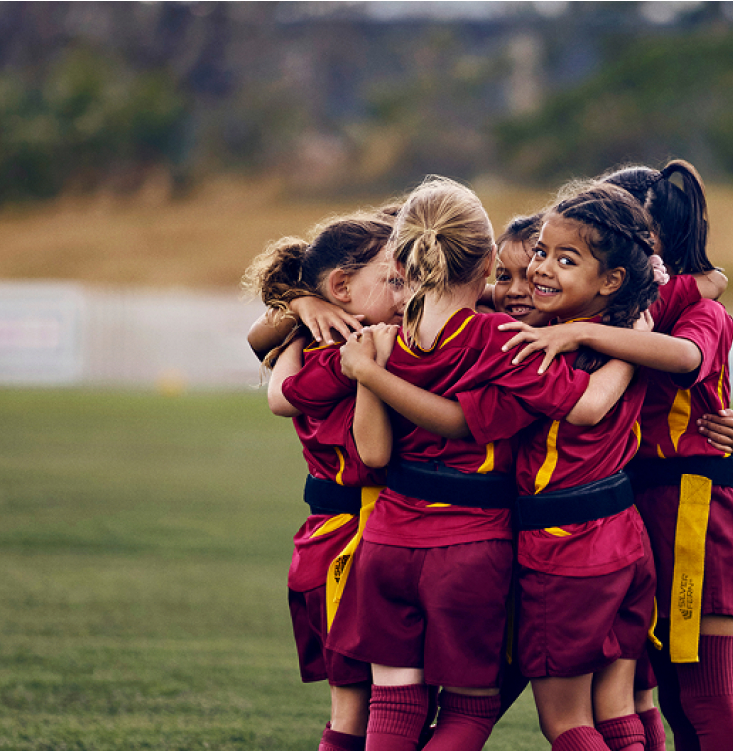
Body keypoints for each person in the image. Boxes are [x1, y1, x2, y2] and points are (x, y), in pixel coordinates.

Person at [324, 176, 640, 751]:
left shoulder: (387, 334)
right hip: (468, 546)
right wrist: (628, 348)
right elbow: (586, 404)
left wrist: (368, 371)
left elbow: (373, 452)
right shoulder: (498, 336)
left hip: (388, 539)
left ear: (402, 257)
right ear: (490, 258)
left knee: (394, 703)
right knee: (470, 711)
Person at [502, 158, 733, 751]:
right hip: (624, 510)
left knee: (702, 697)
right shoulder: (612, 307)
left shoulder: (685, 311)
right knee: (640, 691)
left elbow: (686, 355)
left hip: (688, 507)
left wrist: (583, 333)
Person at [241, 211, 408, 751]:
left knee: (379, 705)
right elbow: (283, 396)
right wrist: (299, 307)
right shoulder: (347, 352)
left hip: (348, 534)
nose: (411, 292)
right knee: (359, 708)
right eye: (397, 280)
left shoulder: (335, 338)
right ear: (342, 287)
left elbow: (270, 368)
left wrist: (296, 306)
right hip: (351, 540)